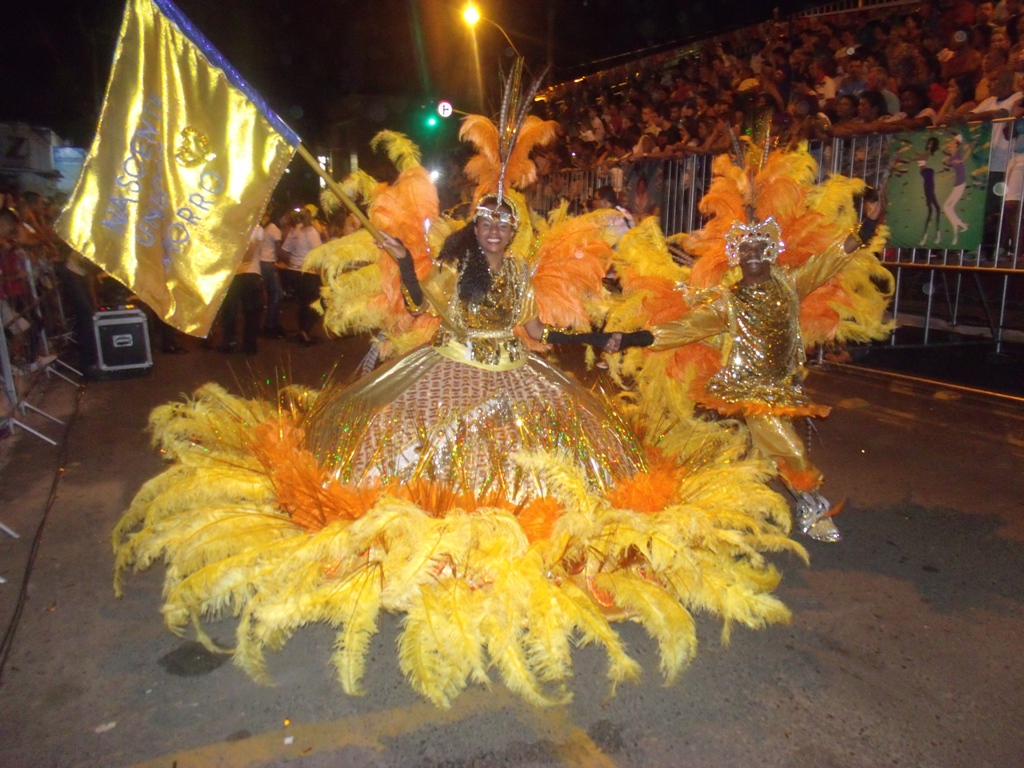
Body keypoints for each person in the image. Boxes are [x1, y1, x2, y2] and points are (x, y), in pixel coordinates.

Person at [281, 206, 323, 344]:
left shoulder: (295, 231)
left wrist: (292, 263)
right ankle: (304, 330)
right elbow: (319, 253)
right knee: (318, 301)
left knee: (304, 303)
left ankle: (302, 330)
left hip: (295, 271)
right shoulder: (311, 232)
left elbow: (285, 250)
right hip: (307, 272)